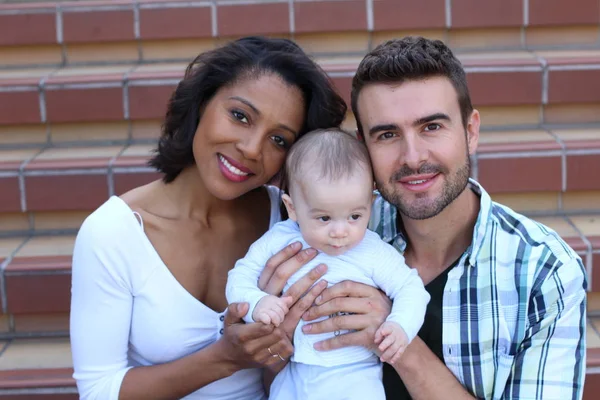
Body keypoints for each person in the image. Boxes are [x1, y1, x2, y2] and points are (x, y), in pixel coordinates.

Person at [265, 36, 587, 399]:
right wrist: (274, 345)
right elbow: (269, 373)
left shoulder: (542, 270)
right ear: (363, 147)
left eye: (431, 127)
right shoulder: (328, 229)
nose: (413, 156)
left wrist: (398, 341)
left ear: (470, 131)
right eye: (387, 134)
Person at [69, 36, 348, 400]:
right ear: (202, 103)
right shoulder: (113, 233)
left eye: (279, 140)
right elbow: (98, 391)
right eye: (240, 116)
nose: (251, 148)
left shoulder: (289, 220)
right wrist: (225, 358)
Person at [226, 129, 430, 399]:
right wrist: (257, 304)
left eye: (355, 216)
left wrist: (400, 325)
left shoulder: (372, 250)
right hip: (293, 372)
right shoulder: (280, 239)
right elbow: (240, 276)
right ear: (293, 208)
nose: (340, 231)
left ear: (370, 203)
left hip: (354, 375)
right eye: (324, 218)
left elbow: (411, 288)